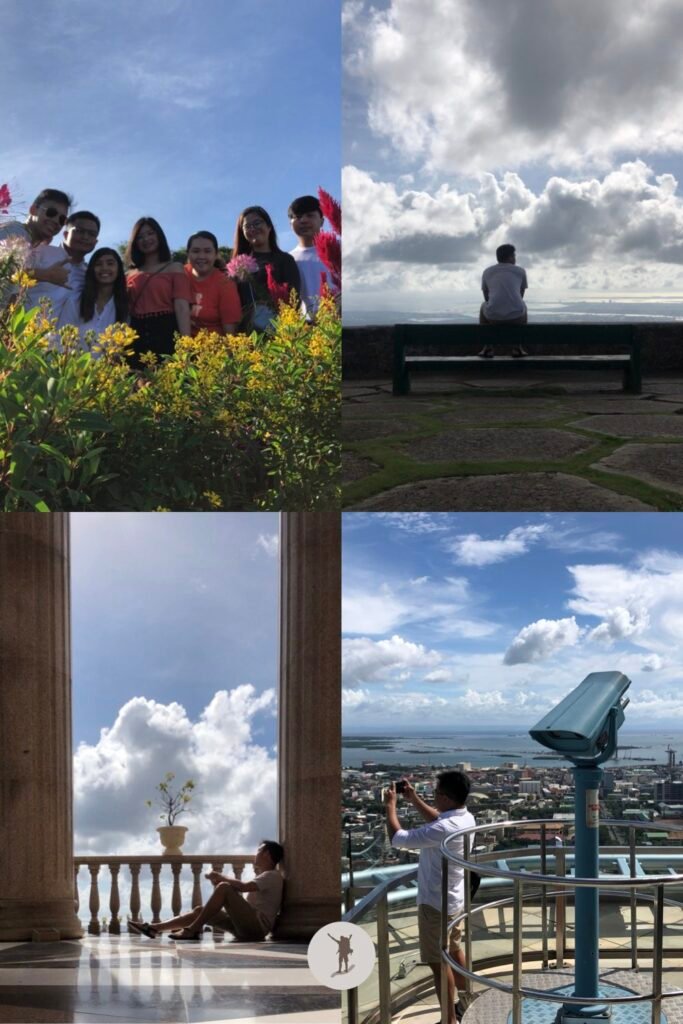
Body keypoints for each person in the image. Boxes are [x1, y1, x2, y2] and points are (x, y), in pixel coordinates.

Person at [385, 772, 475, 1024]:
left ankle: (449, 1020)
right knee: (455, 949)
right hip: (455, 900)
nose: (434, 797)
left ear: (445, 797)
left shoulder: (442, 828)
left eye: (436, 793)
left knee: (438, 963)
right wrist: (413, 799)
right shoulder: (466, 817)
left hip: (434, 903)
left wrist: (390, 806)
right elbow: (439, 820)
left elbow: (397, 839)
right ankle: (466, 999)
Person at [127, 840, 284, 941]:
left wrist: (220, 877)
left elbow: (244, 887)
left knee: (224, 887)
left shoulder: (273, 876)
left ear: (267, 854)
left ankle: (191, 930)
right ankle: (155, 928)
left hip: (256, 928)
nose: (255, 854)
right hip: (245, 927)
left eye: (258, 851)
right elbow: (242, 892)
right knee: (199, 910)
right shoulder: (265, 875)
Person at [125, 217, 191, 364]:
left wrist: (186, 346)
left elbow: (181, 308)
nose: (146, 239)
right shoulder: (128, 275)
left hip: (166, 331)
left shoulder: (175, 268)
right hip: (136, 334)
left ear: (158, 235)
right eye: (140, 237)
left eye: (150, 233)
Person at [0, 188, 74, 306]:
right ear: (33, 210)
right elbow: (3, 268)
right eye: (51, 213)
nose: (56, 221)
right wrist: (46, 275)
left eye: (62, 219)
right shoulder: (15, 232)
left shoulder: (29, 243)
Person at [232, 206, 300, 330]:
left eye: (257, 223)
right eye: (247, 226)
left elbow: (294, 299)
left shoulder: (285, 260)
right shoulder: (238, 264)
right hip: (247, 336)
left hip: (280, 331)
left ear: (269, 227)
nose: (253, 228)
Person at [27, 210, 100, 318]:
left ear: (96, 241)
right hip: (19, 330)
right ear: (66, 234)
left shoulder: (90, 276)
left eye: (92, 234)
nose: (85, 237)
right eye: (79, 231)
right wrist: (44, 275)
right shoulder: (41, 251)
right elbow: (11, 274)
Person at [58, 247, 129, 349]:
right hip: (74, 363)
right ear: (92, 270)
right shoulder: (76, 301)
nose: (104, 268)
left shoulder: (125, 305)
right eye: (98, 264)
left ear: (119, 269)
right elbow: (61, 340)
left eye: (110, 263)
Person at [184, 231, 241, 336]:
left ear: (216, 255)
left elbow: (230, 333)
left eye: (207, 251)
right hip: (182, 348)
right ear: (188, 254)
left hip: (215, 349)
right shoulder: (180, 275)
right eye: (196, 251)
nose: (201, 256)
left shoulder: (225, 284)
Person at [288, 195, 334, 320]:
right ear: (290, 224)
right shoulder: (288, 259)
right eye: (297, 217)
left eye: (310, 215)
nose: (303, 220)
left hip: (335, 321)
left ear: (322, 220)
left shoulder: (336, 250)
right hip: (306, 327)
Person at [479, 243, 529, 358]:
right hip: (516, 318)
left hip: (493, 318)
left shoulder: (487, 272)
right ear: (510, 257)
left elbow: (486, 296)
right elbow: (521, 295)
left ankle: (488, 347)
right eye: (514, 256)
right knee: (523, 305)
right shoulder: (520, 271)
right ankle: (517, 348)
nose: (515, 258)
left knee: (483, 306)